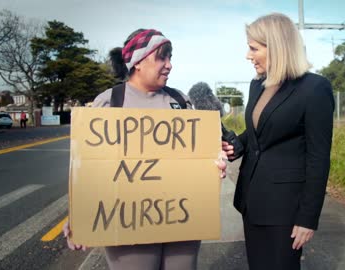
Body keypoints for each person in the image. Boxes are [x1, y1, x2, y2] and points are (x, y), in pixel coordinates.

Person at [63, 28, 227, 270]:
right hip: (129, 225)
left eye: (171, 58)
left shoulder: (181, 101)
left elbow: (201, 155)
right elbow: (88, 167)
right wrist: (77, 213)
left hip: (182, 220)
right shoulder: (110, 102)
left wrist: (215, 164)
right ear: (138, 61)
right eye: (162, 57)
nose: (169, 65)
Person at [222, 13, 335, 270]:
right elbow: (257, 135)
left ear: (277, 47)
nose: (248, 56)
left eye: (254, 48)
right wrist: (236, 146)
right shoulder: (258, 85)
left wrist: (308, 217)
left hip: (285, 208)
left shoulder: (315, 89)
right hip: (251, 200)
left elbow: (318, 158)